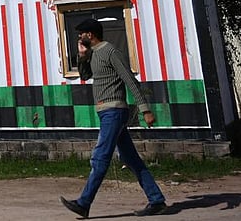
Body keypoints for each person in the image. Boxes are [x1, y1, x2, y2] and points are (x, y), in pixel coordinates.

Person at [59, 18, 168, 218]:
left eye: (81, 34)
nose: (79, 37)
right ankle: (157, 200)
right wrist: (82, 56)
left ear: (90, 35)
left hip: (114, 111)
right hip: (106, 112)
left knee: (100, 157)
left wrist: (145, 110)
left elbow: (129, 80)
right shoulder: (94, 54)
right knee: (130, 158)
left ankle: (84, 203)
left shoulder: (110, 51)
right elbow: (85, 76)